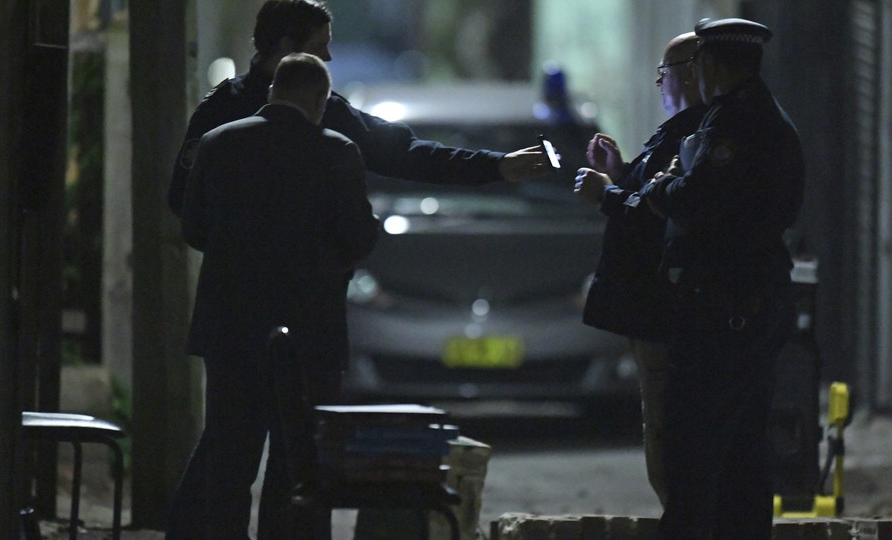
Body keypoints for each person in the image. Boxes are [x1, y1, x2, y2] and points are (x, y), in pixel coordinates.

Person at [169, 52, 379, 539]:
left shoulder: (218, 144)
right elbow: (360, 239)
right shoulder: (338, 152)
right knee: (300, 466)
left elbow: (195, 227)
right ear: (320, 101)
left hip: (229, 327)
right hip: (312, 333)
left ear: (272, 93)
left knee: (229, 460)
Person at [635, 18, 805, 539]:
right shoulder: (754, 115)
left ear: (710, 65)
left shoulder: (734, 123)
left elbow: (694, 200)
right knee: (740, 458)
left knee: (696, 457)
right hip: (743, 307)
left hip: (725, 315)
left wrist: (659, 188)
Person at [169, 0, 547, 219]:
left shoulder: (327, 111)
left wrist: (494, 165)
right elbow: (183, 201)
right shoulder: (223, 112)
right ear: (287, 46)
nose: (329, 56)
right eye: (320, 45)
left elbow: (405, 154)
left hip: (277, 305)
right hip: (257, 305)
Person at [573, 32, 706, 509]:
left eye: (662, 73)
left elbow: (663, 212)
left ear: (689, 72)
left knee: (671, 433)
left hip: (669, 310)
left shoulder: (700, 135)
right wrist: (622, 172)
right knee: (662, 426)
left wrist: (606, 194)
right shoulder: (679, 133)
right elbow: (652, 196)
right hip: (654, 310)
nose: (659, 84)